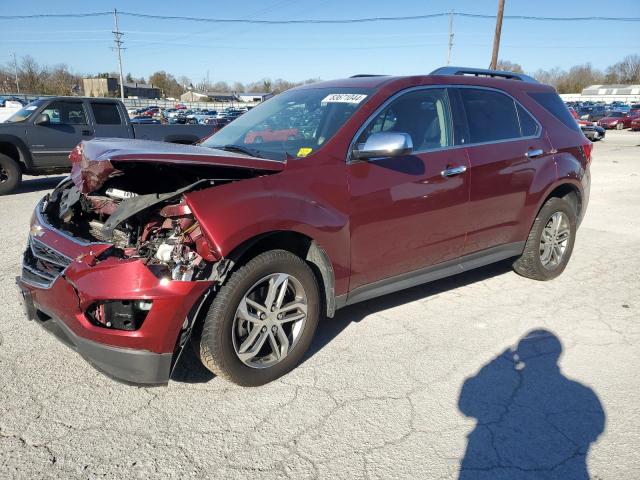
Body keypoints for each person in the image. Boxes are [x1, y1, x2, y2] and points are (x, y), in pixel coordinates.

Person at [458, 329, 605, 480]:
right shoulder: (582, 393)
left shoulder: (504, 386)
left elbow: (466, 405)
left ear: (520, 355)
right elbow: (595, 429)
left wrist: (493, 366)